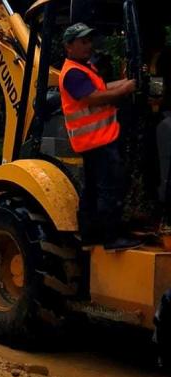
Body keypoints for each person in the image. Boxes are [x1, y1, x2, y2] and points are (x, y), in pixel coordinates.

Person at [59, 22, 140, 251]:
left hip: (96, 140)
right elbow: (93, 98)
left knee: (94, 188)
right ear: (69, 46)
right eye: (83, 42)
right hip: (98, 141)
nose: (89, 46)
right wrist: (124, 90)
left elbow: (102, 87)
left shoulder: (84, 69)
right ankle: (111, 237)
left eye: (89, 41)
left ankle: (91, 234)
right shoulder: (73, 73)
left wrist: (125, 82)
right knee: (109, 187)